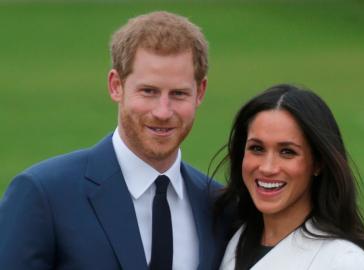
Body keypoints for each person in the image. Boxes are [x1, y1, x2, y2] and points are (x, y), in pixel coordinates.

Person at [0, 11, 232, 270]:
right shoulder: (44, 194)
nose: (163, 112)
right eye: (148, 91)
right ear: (116, 86)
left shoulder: (219, 207)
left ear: (200, 93)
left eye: (178, 94)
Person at [214, 84, 364, 269]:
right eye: (257, 148)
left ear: (318, 162)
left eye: (287, 152)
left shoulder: (344, 261)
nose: (267, 167)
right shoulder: (232, 238)